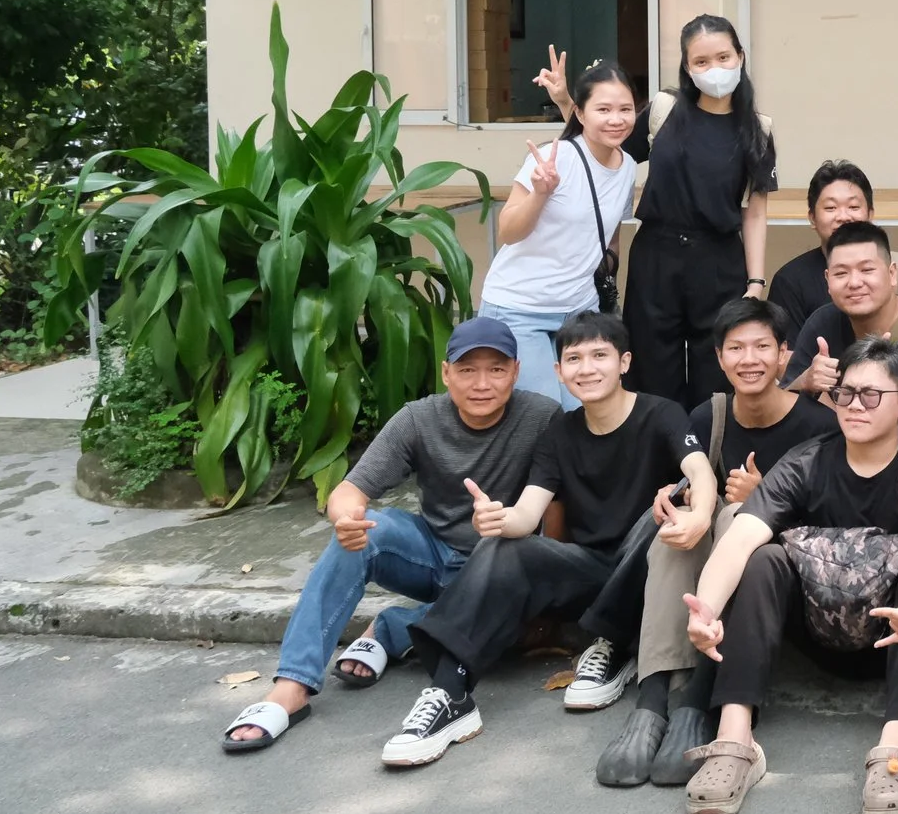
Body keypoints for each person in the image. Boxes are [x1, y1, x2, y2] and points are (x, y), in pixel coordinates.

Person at [379, 312, 711, 768]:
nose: (587, 368)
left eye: (600, 355)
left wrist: (702, 513)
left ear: (625, 362)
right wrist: (498, 518)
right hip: (592, 573)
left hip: (649, 573)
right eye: (574, 358)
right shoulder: (560, 431)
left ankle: (612, 644)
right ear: (559, 371)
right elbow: (528, 513)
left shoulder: (661, 413)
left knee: (666, 510)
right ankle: (450, 691)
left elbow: (698, 469)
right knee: (501, 548)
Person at [677, 338, 898, 814]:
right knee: (762, 557)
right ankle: (737, 741)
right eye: (845, 393)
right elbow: (739, 537)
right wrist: (705, 611)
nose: (855, 406)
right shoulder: (808, 461)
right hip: (816, 628)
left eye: (872, 395)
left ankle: (894, 751)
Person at [221, 317, 555, 754]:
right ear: (445, 372)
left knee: (504, 636)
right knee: (363, 534)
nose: (481, 383)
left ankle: (390, 629)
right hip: (430, 552)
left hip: (498, 568)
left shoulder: (542, 416)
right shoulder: (418, 419)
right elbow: (349, 491)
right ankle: (292, 686)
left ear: (515, 370)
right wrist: (346, 518)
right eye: (467, 369)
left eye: (496, 369)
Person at [573, 297, 839, 787]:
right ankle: (651, 703)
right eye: (735, 348)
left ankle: (698, 697)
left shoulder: (821, 426)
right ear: (719, 359)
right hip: (706, 571)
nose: (749, 359)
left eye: (762, 346)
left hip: (780, 582)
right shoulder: (708, 415)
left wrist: (769, 500)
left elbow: (832, 520)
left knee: (741, 514)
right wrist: (677, 499)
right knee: (675, 531)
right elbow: (693, 483)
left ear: (786, 355)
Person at [619, 14, 776, 407]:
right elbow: (608, 152)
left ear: (740, 56)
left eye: (724, 57)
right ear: (687, 68)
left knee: (717, 372)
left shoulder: (758, 128)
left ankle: (711, 462)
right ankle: (661, 462)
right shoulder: (665, 110)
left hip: (719, 260)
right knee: (652, 367)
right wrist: (568, 104)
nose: (715, 69)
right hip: (657, 254)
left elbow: (755, 211)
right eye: (702, 61)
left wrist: (756, 281)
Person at [479, 63, 643, 407]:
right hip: (520, 307)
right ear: (580, 114)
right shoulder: (557, 159)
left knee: (586, 410)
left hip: (579, 309)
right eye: (604, 109)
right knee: (541, 415)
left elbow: (609, 238)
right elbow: (507, 231)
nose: (616, 119)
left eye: (625, 109)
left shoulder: (627, 166)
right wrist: (540, 193)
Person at [785, 221, 898, 427]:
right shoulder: (822, 322)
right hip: (837, 455)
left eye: (866, 270)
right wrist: (806, 382)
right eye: (841, 273)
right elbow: (782, 408)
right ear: (827, 280)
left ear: (892, 274)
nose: (854, 282)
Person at [767, 159, 875, 337]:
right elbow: (785, 356)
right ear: (812, 218)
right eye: (831, 207)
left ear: (870, 214)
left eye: (853, 207)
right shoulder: (790, 281)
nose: (843, 216)